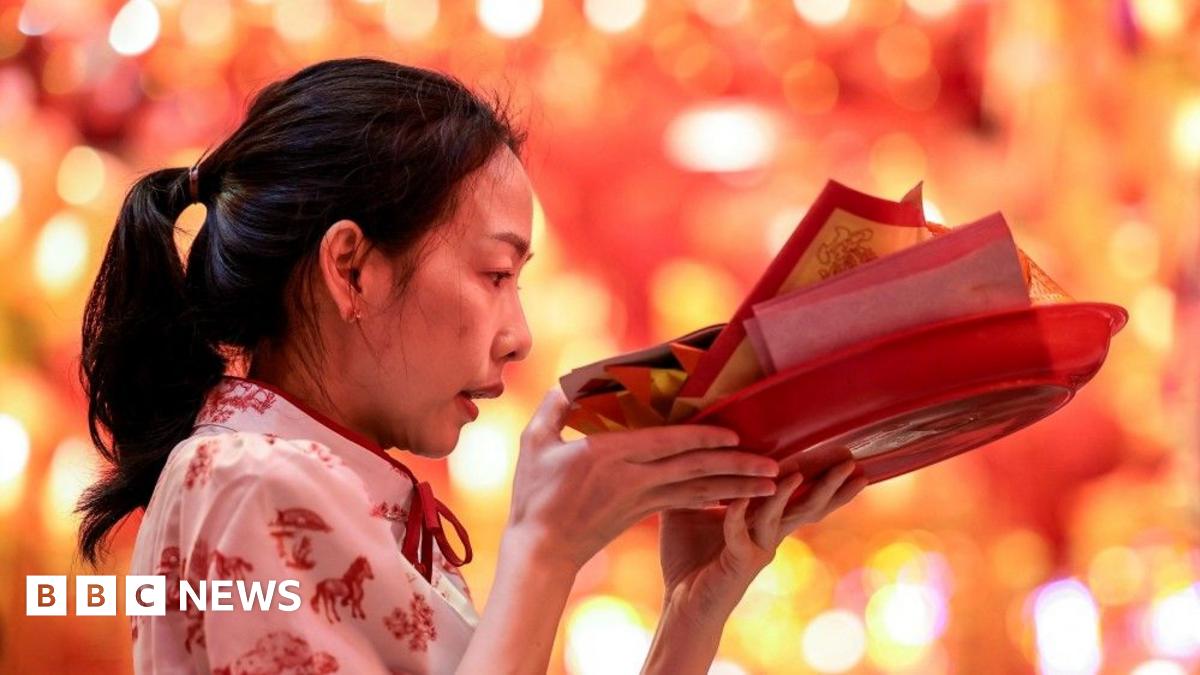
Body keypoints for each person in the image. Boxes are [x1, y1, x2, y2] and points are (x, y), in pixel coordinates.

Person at [76, 57, 868, 674]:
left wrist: (693, 609)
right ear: (351, 268)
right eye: (495, 274)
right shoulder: (250, 479)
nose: (519, 336)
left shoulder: (302, 482)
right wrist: (545, 545)